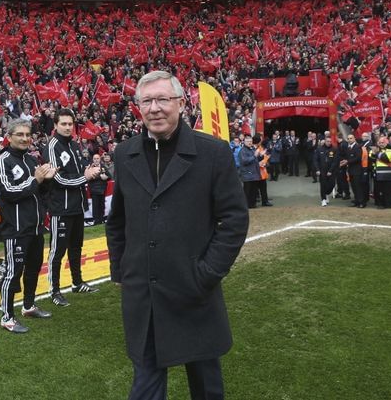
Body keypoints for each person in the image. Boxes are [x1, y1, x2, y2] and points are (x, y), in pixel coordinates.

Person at [106, 71, 249, 400]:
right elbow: (118, 220)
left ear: (181, 104)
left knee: (206, 388)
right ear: (138, 107)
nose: (155, 108)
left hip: (193, 292)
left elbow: (234, 219)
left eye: (163, 100)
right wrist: (122, 270)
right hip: (144, 296)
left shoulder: (212, 152)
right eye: (147, 101)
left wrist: (206, 273)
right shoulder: (125, 154)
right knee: (145, 385)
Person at [0, 119, 57, 333]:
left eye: (27, 134)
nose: (24, 138)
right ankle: (6, 317)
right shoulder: (3, 161)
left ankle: (28, 306)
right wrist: (36, 180)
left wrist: (47, 180)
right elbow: (9, 192)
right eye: (19, 134)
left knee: (33, 269)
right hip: (16, 229)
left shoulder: (30, 160)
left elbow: (39, 193)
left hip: (36, 227)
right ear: (9, 137)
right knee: (13, 273)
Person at [42, 108, 101, 307]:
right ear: (56, 125)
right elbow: (57, 178)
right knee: (57, 251)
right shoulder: (52, 146)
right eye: (64, 124)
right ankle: (54, 290)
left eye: (70, 124)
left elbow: (81, 168)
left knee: (76, 247)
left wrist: (90, 171)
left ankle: (77, 283)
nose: (68, 127)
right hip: (61, 208)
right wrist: (84, 177)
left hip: (77, 206)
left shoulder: (75, 145)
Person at [371, 136, 391, 209]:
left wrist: (377, 153)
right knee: (380, 191)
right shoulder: (377, 150)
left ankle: (389, 205)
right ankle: (381, 204)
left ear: (387, 143)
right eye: (380, 143)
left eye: (383, 142)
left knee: (389, 191)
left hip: (390, 175)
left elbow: (386, 159)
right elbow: (371, 158)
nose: (381, 144)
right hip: (379, 175)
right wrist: (376, 154)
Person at [313, 136, 339, 206]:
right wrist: (317, 169)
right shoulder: (319, 149)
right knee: (323, 185)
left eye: (330, 141)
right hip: (322, 170)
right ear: (325, 141)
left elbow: (335, 161)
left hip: (331, 170)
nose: (329, 143)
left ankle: (327, 193)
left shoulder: (334, 149)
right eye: (328, 141)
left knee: (332, 184)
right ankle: (323, 199)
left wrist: (330, 170)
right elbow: (315, 160)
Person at [341, 134, 365, 208]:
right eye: (348, 138)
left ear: (354, 139)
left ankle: (362, 202)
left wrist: (347, 161)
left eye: (351, 138)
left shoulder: (357, 147)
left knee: (358, 187)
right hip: (351, 170)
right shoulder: (348, 148)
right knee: (354, 187)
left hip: (357, 170)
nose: (349, 139)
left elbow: (358, 158)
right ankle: (357, 200)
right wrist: (345, 161)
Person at [88, 153, 112, 225]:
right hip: (94, 190)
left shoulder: (103, 167)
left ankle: (101, 220)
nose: (96, 160)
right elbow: (87, 177)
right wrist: (98, 177)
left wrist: (106, 177)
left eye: (97, 158)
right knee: (95, 206)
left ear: (100, 159)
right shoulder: (90, 167)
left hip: (102, 189)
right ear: (92, 159)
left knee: (102, 205)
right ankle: (96, 221)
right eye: (94, 159)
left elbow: (109, 176)